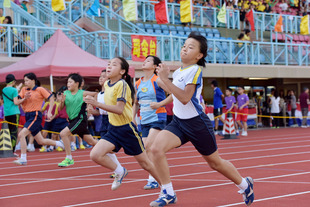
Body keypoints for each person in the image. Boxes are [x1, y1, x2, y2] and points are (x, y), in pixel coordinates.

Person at [149, 32, 254, 207]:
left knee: (215, 163)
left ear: (199, 55)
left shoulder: (195, 70)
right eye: (184, 45)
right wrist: (164, 82)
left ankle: (244, 184)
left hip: (197, 123)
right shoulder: (179, 71)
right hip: (179, 122)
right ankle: (168, 192)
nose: (185, 49)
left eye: (190, 47)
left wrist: (165, 80)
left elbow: (184, 98)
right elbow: (175, 96)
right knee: (156, 149)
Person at [84, 57, 161, 191]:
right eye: (108, 64)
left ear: (122, 71)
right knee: (95, 155)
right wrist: (93, 108)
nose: (109, 66)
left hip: (127, 129)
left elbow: (119, 109)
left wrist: (97, 104)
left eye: (114, 65)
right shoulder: (107, 84)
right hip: (113, 129)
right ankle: (120, 171)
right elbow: (108, 107)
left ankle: (166, 187)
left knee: (145, 163)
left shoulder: (122, 85)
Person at [133, 55, 167, 190]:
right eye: (144, 60)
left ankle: (152, 179)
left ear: (154, 67)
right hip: (144, 119)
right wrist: (132, 118)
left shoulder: (157, 80)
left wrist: (159, 103)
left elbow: (173, 93)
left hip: (158, 117)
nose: (144, 62)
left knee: (148, 146)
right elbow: (135, 103)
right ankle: (157, 173)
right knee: (148, 150)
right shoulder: (138, 83)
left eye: (148, 61)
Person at [13, 73, 62, 165]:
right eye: (24, 81)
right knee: (41, 141)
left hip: (35, 115)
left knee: (22, 134)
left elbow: (51, 98)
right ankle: (60, 143)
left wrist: (50, 111)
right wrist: (24, 98)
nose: (25, 82)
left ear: (33, 80)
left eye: (27, 80)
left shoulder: (40, 89)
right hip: (27, 115)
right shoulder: (24, 90)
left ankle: (23, 158)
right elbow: (16, 102)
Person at [56, 73, 104, 167]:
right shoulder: (65, 93)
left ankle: (69, 158)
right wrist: (61, 102)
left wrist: (90, 105)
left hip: (80, 120)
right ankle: (108, 150)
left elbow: (96, 94)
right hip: (72, 120)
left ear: (77, 83)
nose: (68, 84)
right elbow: (61, 109)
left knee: (63, 133)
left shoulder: (82, 93)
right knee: (91, 142)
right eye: (67, 82)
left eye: (70, 82)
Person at [2, 74, 23, 152]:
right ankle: (12, 149)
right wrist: (24, 99)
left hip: (7, 113)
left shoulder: (3, 89)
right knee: (14, 132)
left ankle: (7, 148)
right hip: (14, 112)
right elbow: (16, 102)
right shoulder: (14, 90)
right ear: (13, 81)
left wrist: (17, 89)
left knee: (8, 131)